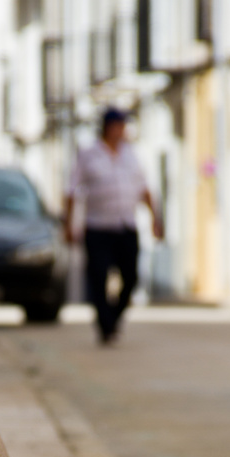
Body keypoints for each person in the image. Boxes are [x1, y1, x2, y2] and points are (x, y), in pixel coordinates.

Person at [64, 108, 163, 343]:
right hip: (97, 226)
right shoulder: (88, 155)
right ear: (107, 128)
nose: (121, 131)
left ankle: (114, 316)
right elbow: (71, 191)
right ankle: (105, 325)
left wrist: (154, 219)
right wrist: (68, 224)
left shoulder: (131, 154)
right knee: (98, 276)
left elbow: (144, 189)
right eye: (117, 126)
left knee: (130, 276)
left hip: (125, 224)